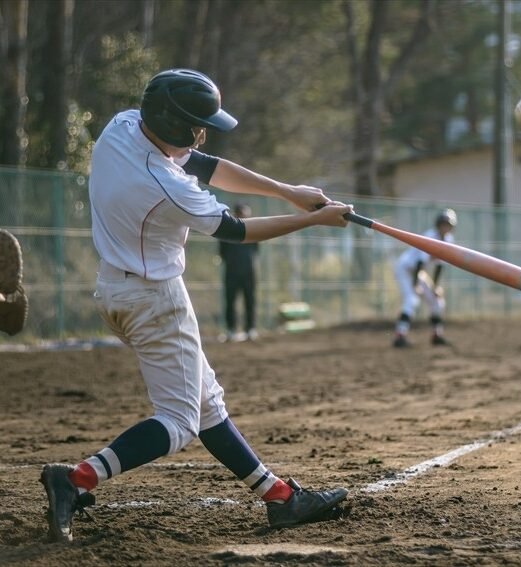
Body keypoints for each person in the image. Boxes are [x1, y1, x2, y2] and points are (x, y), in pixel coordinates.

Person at [39, 69, 352, 543]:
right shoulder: (166, 185)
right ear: (171, 122)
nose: (201, 134)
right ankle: (77, 478)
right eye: (195, 126)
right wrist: (312, 220)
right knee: (180, 421)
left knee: (206, 403)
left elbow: (204, 164)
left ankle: (280, 497)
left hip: (115, 289)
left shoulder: (122, 126)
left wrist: (289, 192)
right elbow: (237, 231)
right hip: (155, 301)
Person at [392, 208, 457, 348]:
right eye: (443, 224)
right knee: (411, 300)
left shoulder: (448, 240)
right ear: (438, 225)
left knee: (437, 300)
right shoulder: (430, 236)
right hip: (405, 268)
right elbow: (419, 262)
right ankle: (400, 336)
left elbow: (440, 266)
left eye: (448, 225)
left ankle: (437, 335)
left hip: (418, 272)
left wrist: (435, 287)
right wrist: (415, 285)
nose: (445, 228)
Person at [219, 203, 259, 342]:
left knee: (250, 301)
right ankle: (231, 330)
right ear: (236, 215)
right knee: (230, 301)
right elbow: (222, 253)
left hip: (249, 272)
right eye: (242, 214)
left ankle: (250, 329)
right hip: (231, 273)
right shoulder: (226, 231)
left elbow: (255, 251)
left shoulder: (254, 231)